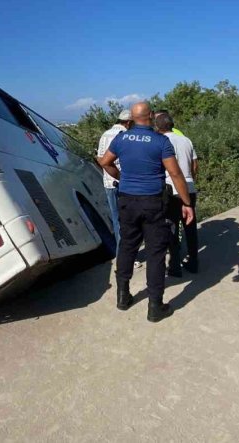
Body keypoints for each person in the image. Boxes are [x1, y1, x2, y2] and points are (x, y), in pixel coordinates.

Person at [98, 102, 194, 322]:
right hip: (152, 202)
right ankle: (155, 306)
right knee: (156, 252)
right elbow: (175, 173)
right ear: (150, 116)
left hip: (127, 201)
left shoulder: (122, 138)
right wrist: (186, 203)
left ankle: (122, 296)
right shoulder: (161, 141)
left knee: (127, 246)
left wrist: (123, 179)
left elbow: (104, 162)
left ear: (132, 118)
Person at [154, 113, 199, 276]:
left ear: (157, 128)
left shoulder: (161, 142)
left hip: (170, 188)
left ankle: (174, 265)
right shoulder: (186, 140)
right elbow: (195, 165)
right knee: (190, 226)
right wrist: (191, 181)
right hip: (188, 186)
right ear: (172, 125)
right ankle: (194, 261)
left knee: (171, 226)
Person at [96, 109, 133, 249]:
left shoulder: (105, 134)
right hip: (125, 182)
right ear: (129, 122)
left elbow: (100, 159)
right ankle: (128, 255)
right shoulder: (125, 135)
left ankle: (121, 255)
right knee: (129, 221)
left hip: (108, 183)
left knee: (117, 220)